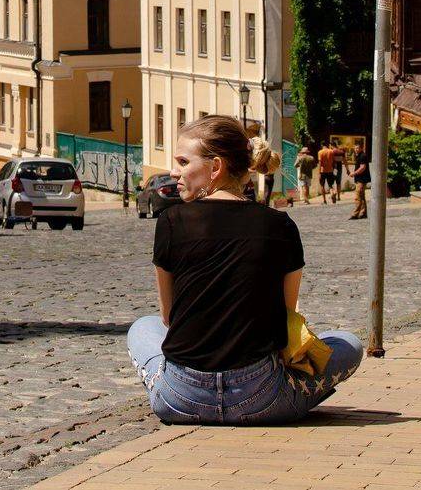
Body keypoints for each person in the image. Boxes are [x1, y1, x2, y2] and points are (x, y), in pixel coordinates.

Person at [126, 115, 363, 425]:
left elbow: (168, 318)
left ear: (216, 167)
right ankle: (292, 395)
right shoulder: (281, 225)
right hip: (262, 398)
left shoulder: (171, 221)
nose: (174, 172)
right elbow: (285, 319)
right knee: (349, 344)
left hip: (181, 397)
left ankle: (173, 387)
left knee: (142, 327)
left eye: (183, 162)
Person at [349, 147, 370, 220]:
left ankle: (355, 214)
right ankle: (363, 213)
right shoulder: (359, 155)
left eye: (357, 148)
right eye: (355, 148)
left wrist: (354, 173)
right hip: (360, 179)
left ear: (361, 148)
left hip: (362, 179)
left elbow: (363, 167)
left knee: (357, 197)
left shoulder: (362, 156)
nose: (356, 149)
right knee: (361, 196)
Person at [296, 138, 318, 203]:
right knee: (307, 187)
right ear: (307, 152)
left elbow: (295, 165)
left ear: (302, 152)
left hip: (302, 174)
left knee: (303, 187)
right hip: (309, 174)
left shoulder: (300, 158)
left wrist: (300, 165)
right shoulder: (311, 158)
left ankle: (305, 199)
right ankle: (307, 199)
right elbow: (315, 166)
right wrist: (310, 168)